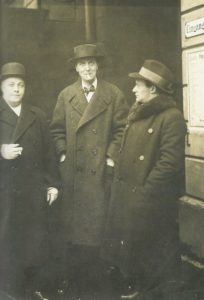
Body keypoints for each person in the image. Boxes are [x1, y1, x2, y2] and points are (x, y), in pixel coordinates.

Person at [101, 60, 187, 299]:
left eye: (138, 85)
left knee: (152, 250)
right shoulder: (138, 111)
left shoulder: (171, 117)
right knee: (131, 247)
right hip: (129, 194)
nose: (134, 89)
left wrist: (146, 192)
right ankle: (137, 288)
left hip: (151, 199)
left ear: (153, 89)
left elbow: (169, 164)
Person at [50, 43, 128, 298]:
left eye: (91, 63)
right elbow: (57, 130)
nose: (87, 67)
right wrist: (63, 153)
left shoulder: (113, 94)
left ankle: (99, 285)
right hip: (74, 173)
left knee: (99, 230)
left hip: (100, 172)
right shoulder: (65, 95)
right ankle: (77, 283)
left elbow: (122, 129)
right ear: (75, 67)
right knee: (74, 232)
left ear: (98, 66)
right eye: (82, 63)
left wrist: (110, 157)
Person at [0, 62, 60, 299]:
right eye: (11, 85)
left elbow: (49, 154)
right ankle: (8, 290)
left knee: (34, 242)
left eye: (21, 85)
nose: (17, 89)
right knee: (7, 240)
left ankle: (30, 289)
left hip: (33, 191)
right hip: (5, 194)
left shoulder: (37, 115)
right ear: (2, 89)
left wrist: (54, 183)